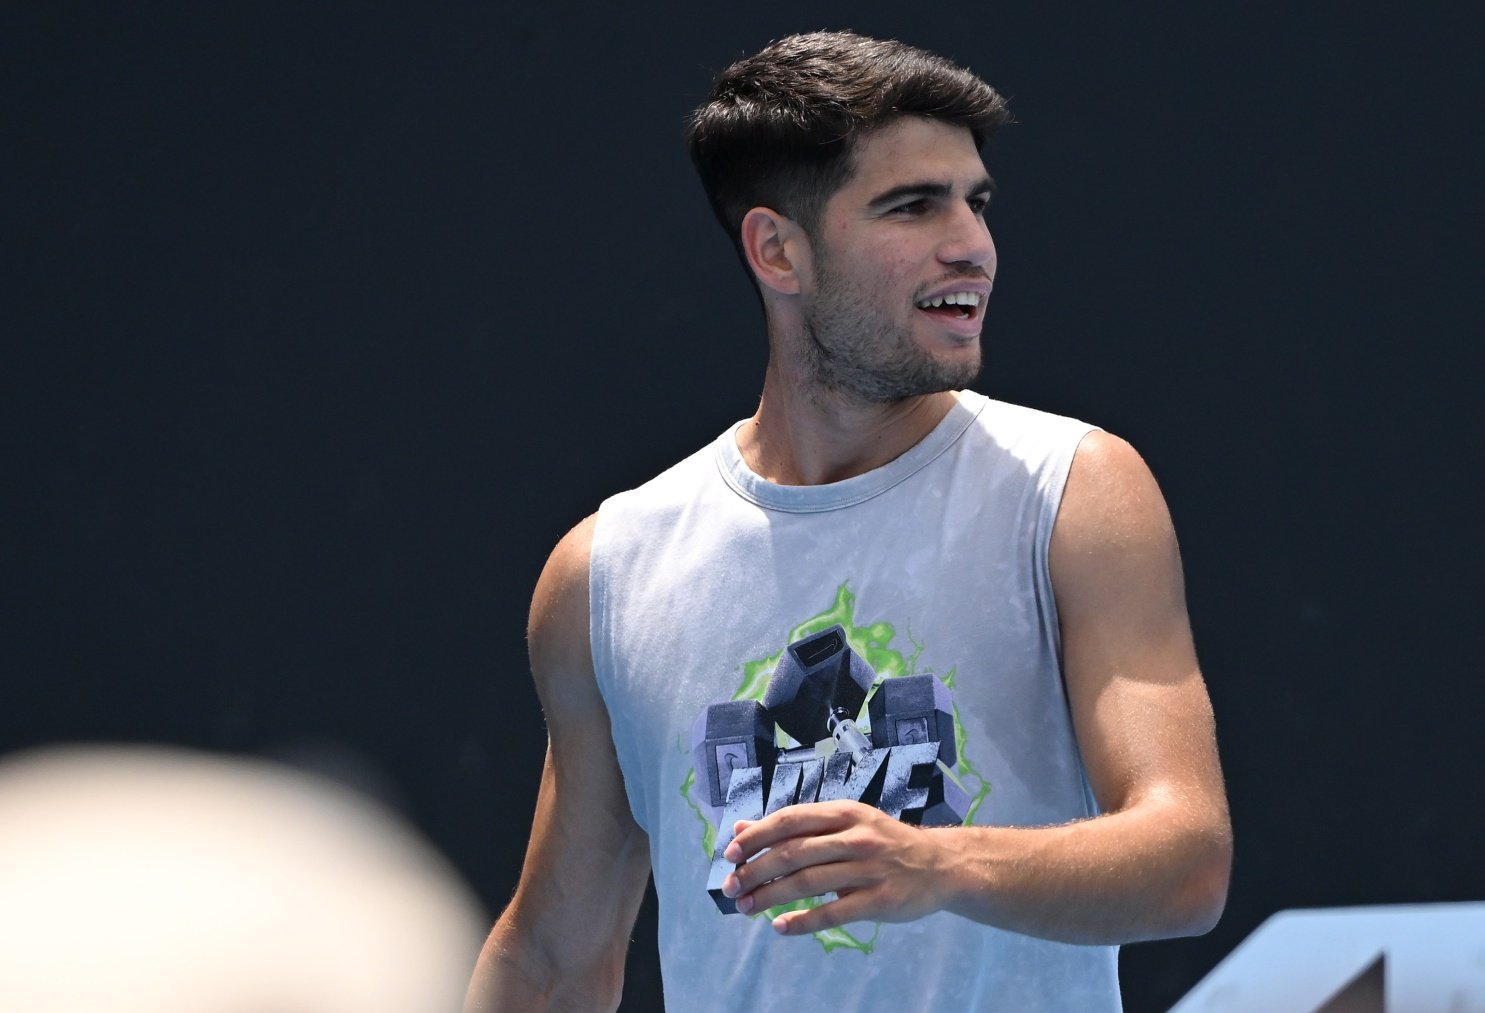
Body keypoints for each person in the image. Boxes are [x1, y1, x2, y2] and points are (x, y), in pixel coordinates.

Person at [466, 30, 1231, 1012]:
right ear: (777, 249)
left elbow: (1185, 859)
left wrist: (939, 863)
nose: (973, 243)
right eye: (913, 205)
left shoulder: (1079, 488)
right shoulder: (603, 573)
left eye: (976, 201)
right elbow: (553, 962)